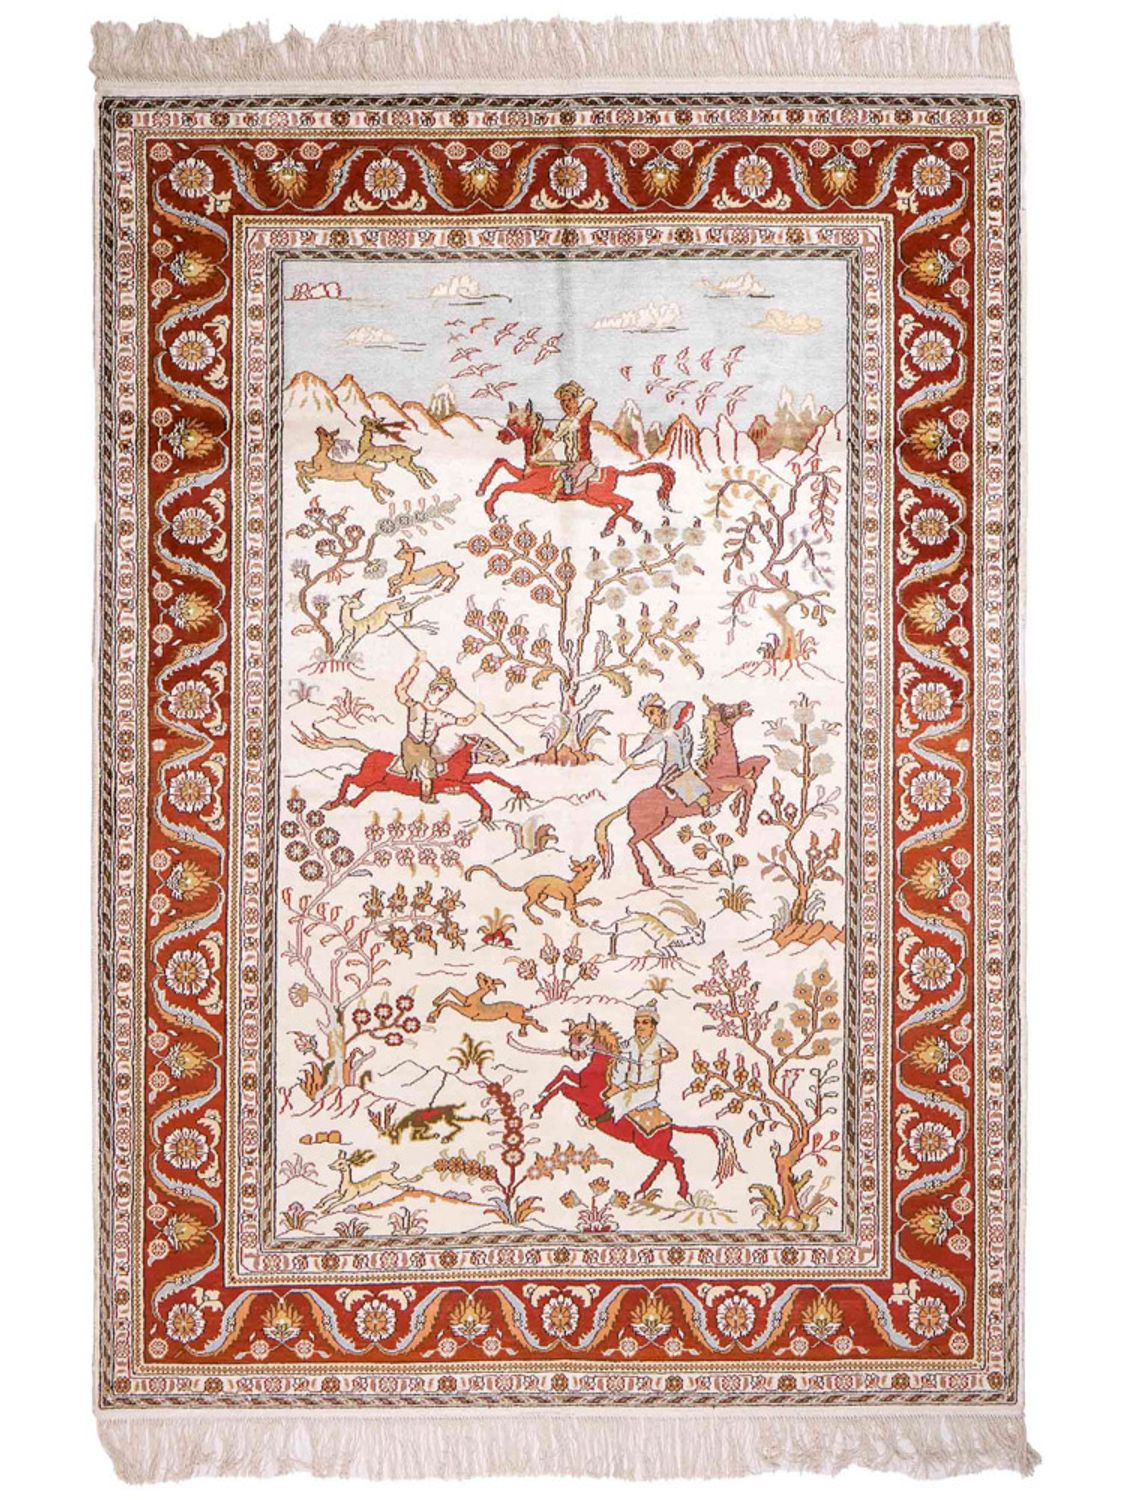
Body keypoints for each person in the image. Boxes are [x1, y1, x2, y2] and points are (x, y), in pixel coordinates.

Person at [394, 652, 481, 802]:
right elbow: (400, 689)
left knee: (428, 779)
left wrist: (476, 713)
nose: (442, 695)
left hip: (426, 750)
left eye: (446, 693)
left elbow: (463, 721)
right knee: (413, 772)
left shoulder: (442, 716)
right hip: (410, 745)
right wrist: (416, 665)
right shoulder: (415, 706)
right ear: (431, 688)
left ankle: (425, 799)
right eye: (440, 690)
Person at [605, 1002, 678, 1123]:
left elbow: (673, 1053)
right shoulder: (632, 1041)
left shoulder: (658, 1040)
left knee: (620, 1104)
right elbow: (619, 1051)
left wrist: (654, 1062)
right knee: (610, 1099)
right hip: (630, 1085)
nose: (640, 1026)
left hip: (647, 1088)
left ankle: (595, 1121)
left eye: (645, 1022)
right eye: (637, 1022)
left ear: (653, 1026)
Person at [532, 380, 598, 500]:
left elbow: (591, 402)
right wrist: (540, 454)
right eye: (563, 401)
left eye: (569, 400)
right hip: (571, 462)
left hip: (582, 461)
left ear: (576, 400)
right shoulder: (564, 423)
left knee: (566, 477)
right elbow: (553, 440)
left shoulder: (583, 414)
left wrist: (576, 420)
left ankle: (553, 495)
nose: (566, 404)